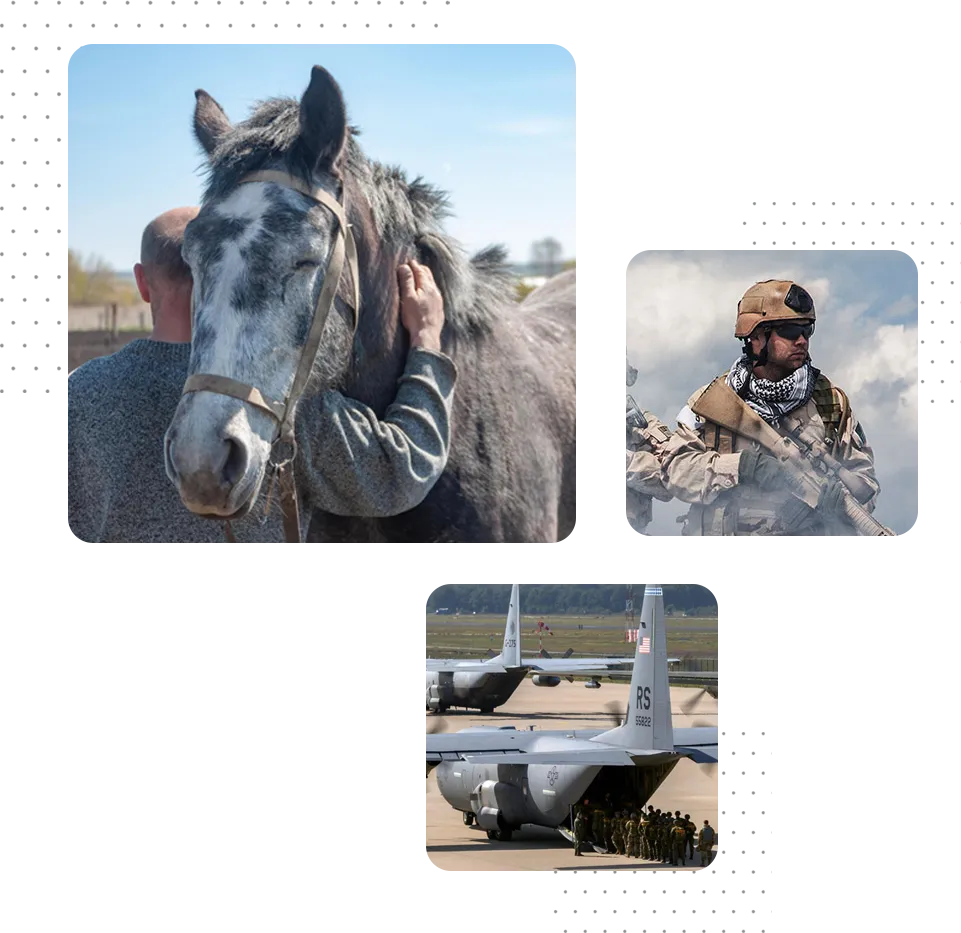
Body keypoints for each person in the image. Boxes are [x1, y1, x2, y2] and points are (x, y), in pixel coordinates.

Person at [65, 208, 456, 543]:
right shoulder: (281, 407)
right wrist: (426, 339)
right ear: (224, 273)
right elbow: (401, 471)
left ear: (141, 283)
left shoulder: (78, 394)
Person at [656, 279, 881, 536]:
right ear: (756, 337)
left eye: (807, 330)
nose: (801, 341)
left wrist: (833, 508)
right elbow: (675, 472)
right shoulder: (712, 402)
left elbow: (866, 485)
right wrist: (741, 467)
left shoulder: (829, 403)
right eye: (789, 331)